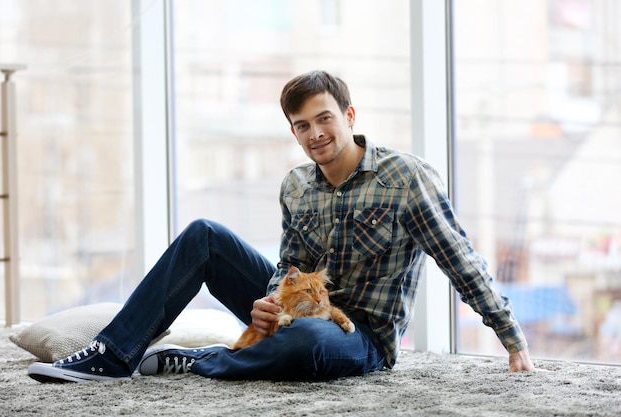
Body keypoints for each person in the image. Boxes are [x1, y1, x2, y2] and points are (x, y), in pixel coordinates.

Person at [28, 70, 535, 383]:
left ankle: (206, 360)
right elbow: (286, 268)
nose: (315, 134)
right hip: (296, 310)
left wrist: (512, 340)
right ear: (292, 131)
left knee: (308, 344)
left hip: (359, 334)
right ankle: (114, 355)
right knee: (204, 233)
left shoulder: (406, 177)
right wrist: (270, 303)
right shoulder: (296, 185)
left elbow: (460, 258)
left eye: (324, 119)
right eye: (302, 125)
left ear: (348, 114)